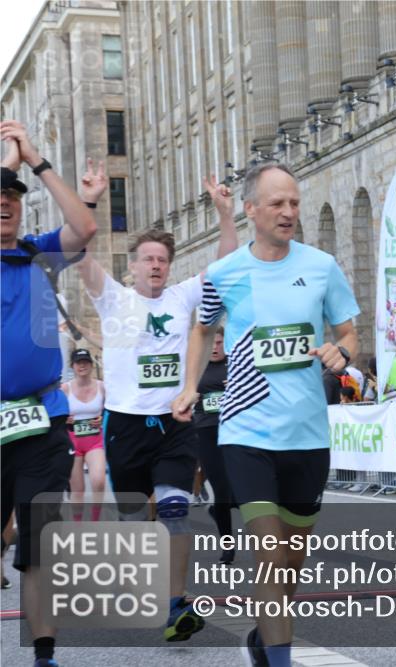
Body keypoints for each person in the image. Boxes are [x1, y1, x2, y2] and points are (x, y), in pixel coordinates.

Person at [172, 162, 360, 667]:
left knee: (291, 562)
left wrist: (342, 352)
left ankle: (263, 636)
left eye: (294, 203)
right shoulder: (224, 273)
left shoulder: (321, 266)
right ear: (250, 209)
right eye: (277, 203)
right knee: (270, 555)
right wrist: (190, 385)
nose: (289, 212)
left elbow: (348, 334)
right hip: (246, 432)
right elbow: (201, 329)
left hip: (307, 436)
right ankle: (280, 659)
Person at [74, 169, 237, 642]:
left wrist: (226, 215)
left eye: (162, 260)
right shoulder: (114, 299)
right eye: (147, 259)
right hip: (125, 426)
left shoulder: (183, 297)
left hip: (175, 422)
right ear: (134, 266)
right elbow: (82, 256)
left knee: (173, 511)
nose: (155, 266)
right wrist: (88, 204)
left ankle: (175, 604)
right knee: (133, 518)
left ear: (170, 265)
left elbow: (224, 268)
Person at [1, 120, 98, 667]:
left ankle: (44, 656)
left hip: (42, 419)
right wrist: (6, 164)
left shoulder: (39, 254)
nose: (4, 206)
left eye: (11, 199)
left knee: (39, 542)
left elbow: (84, 227)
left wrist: (34, 160)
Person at [192, 328, 234, 564]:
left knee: (237, 491)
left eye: (220, 342)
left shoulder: (235, 366)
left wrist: (238, 386)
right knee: (221, 490)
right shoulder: (196, 369)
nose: (216, 347)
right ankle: (228, 545)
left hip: (235, 431)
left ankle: (219, 510)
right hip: (207, 432)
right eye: (213, 343)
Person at [61, 349, 107, 523]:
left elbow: (110, 409)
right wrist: (64, 418)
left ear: (91, 364)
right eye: (78, 362)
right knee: (77, 489)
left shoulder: (102, 386)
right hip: (72, 441)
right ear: (72, 366)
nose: (82, 366)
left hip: (94, 440)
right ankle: (78, 524)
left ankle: (95, 520)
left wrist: (102, 418)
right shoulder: (65, 389)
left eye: (86, 362)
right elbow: (54, 414)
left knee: (99, 481)